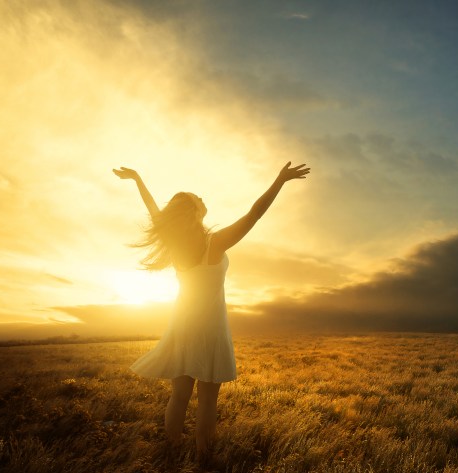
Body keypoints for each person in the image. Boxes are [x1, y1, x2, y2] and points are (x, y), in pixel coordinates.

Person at [113, 162, 310, 457]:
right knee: (207, 402)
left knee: (179, 396)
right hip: (210, 329)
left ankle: (171, 453)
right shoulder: (215, 243)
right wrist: (279, 181)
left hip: (182, 325)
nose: (203, 199)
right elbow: (254, 214)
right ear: (194, 212)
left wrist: (138, 180)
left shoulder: (175, 244)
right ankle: (203, 459)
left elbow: (155, 211)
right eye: (198, 199)